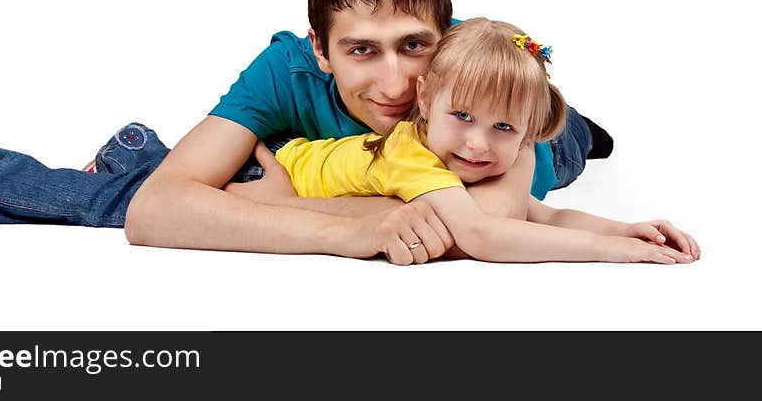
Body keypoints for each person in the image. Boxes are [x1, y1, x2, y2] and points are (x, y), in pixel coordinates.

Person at [0, 0, 613, 265]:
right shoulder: (285, 65)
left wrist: (274, 206)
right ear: (319, 50)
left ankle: (581, 126)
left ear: (448, 36)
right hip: (350, 169)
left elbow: (477, 225)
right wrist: (349, 231)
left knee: (572, 135)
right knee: (191, 191)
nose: (399, 84)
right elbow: (157, 211)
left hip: (560, 138)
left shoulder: (482, 88)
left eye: (415, 46)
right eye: (361, 51)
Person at [228, 18, 699, 264]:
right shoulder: (412, 153)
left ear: (528, 136)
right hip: (271, 169)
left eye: (504, 128)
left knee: (566, 151)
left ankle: (577, 131)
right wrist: (613, 253)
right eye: (463, 117)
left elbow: (549, 215)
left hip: (303, 171)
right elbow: (481, 235)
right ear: (426, 98)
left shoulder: (456, 154)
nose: (476, 145)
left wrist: (627, 229)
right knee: (154, 170)